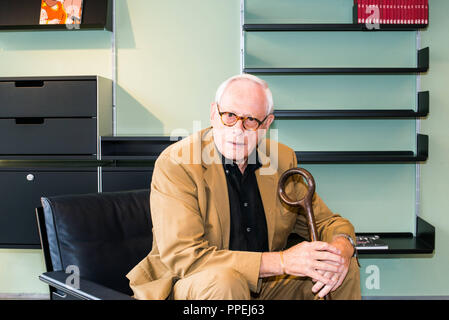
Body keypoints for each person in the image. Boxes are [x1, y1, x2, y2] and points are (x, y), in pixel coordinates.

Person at [126, 74, 361, 300]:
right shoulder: (178, 162)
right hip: (192, 284)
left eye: (250, 120)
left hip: (266, 286)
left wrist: (342, 248)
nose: (237, 130)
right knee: (226, 282)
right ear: (213, 114)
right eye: (229, 115)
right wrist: (282, 261)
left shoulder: (281, 160)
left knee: (339, 266)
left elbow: (328, 223)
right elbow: (184, 257)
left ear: (266, 123)